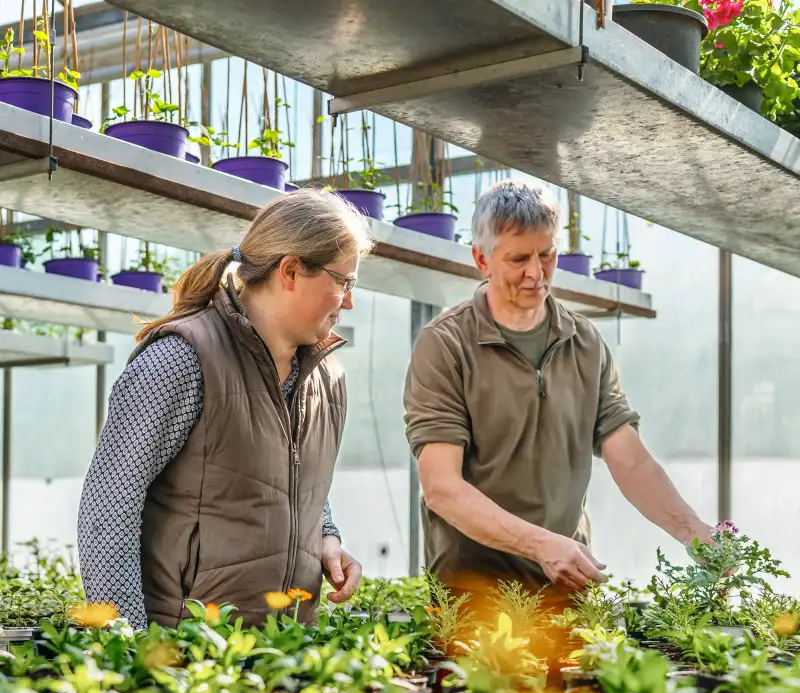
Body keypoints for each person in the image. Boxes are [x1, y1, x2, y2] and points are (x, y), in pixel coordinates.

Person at [403, 179, 715, 604]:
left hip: (565, 586)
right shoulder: (446, 344)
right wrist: (541, 545)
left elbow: (632, 462)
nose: (536, 273)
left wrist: (693, 531)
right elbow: (442, 488)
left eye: (547, 254)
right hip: (471, 595)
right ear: (482, 259)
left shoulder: (584, 343)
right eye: (518, 258)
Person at [78, 188, 373, 629]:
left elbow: (290, 474)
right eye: (343, 281)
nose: (349, 301)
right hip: (185, 656)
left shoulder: (326, 377)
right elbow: (109, 508)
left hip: (286, 655)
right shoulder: (180, 361)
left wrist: (326, 538)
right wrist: (130, 645)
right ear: (290, 270)